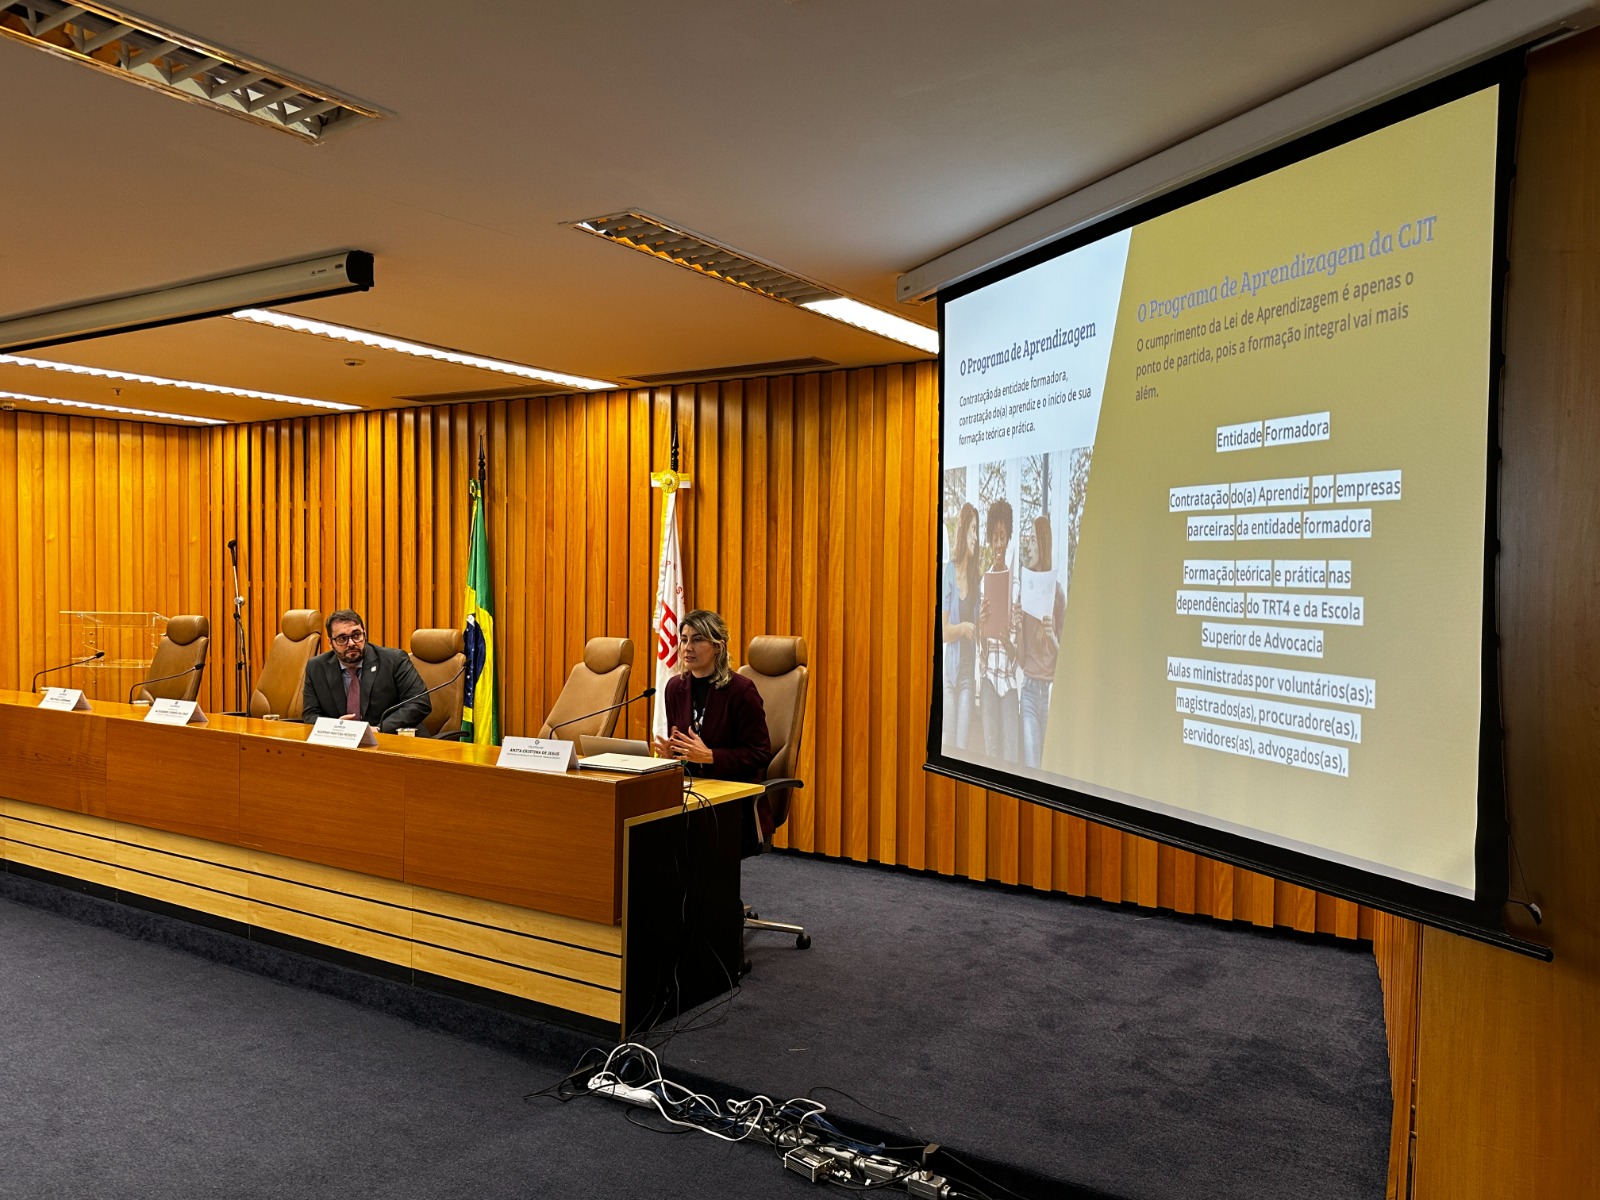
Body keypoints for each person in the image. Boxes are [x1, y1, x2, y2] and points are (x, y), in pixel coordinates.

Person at [653, 609, 773, 855]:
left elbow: (760, 754)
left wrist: (712, 756)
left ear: (718, 646)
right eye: (684, 639)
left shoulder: (741, 690)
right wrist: (670, 755)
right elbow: (683, 750)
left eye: (697, 639)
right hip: (690, 791)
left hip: (730, 796)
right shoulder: (675, 687)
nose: (687, 647)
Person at [301, 609, 431, 734]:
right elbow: (310, 714)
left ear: (365, 634)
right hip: (343, 745)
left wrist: (380, 729)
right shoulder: (317, 667)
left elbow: (419, 703)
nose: (351, 643)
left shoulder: (394, 661)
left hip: (393, 741)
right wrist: (336, 727)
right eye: (342, 638)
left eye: (356, 635)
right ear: (331, 642)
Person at [1019, 515, 1067, 770]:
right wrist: (1016, 626)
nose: (1029, 547)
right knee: (1030, 767)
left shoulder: (1057, 593)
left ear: (1044, 545)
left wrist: (1052, 637)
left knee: (1049, 770)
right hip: (1027, 689)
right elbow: (1020, 659)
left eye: (1034, 542)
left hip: (1048, 693)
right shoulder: (1025, 591)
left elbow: (1066, 659)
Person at [978, 498, 1021, 764]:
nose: (998, 544)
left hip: (1009, 682)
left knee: (1010, 754)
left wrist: (1009, 638)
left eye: (1003, 537)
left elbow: (1019, 655)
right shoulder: (984, 581)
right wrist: (983, 628)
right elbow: (982, 650)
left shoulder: (1016, 586)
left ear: (1008, 539)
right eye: (994, 537)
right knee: (991, 753)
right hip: (989, 680)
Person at [942, 502, 980, 752]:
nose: (976, 537)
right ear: (964, 528)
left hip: (968, 675)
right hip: (950, 675)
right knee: (948, 747)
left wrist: (980, 623)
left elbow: (977, 632)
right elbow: (943, 632)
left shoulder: (976, 578)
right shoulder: (948, 572)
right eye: (973, 529)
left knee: (961, 750)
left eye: (978, 530)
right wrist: (963, 627)